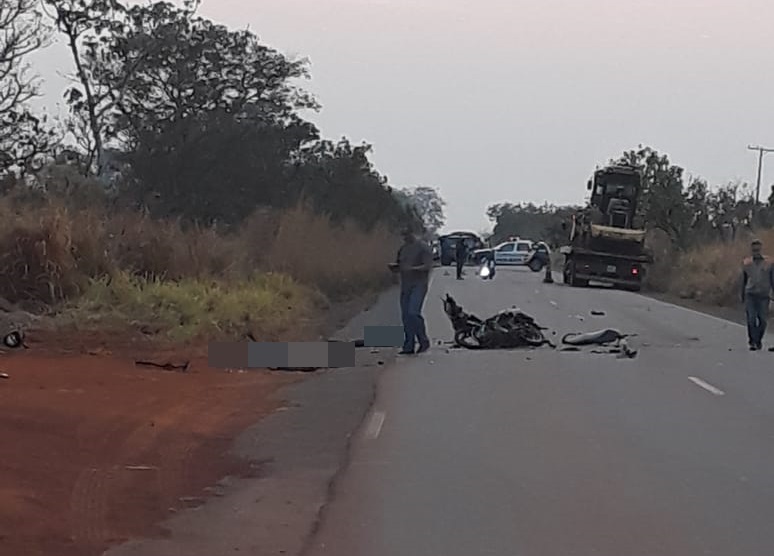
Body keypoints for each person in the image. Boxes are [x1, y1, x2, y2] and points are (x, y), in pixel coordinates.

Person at [390, 228, 433, 354]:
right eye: (403, 235)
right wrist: (395, 268)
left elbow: (427, 266)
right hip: (406, 285)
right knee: (406, 316)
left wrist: (412, 269)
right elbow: (400, 264)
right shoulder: (403, 249)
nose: (405, 237)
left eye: (407, 235)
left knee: (413, 312)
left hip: (419, 284)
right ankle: (409, 345)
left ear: (412, 233)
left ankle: (423, 341)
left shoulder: (423, 247)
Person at [741, 239, 774, 351]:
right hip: (750, 294)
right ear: (751, 250)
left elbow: (772, 279)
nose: (756, 252)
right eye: (754, 250)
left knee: (763, 320)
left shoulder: (769, 262)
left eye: (757, 249)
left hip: (764, 295)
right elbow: (743, 280)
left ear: (761, 249)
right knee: (751, 319)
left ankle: (758, 339)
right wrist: (742, 294)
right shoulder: (747, 262)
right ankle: (752, 342)